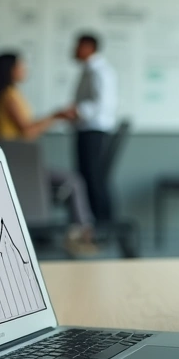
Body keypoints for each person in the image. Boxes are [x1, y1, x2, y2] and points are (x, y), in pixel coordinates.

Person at [0, 51, 98, 256]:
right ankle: (82, 234)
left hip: (17, 164)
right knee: (73, 181)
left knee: (71, 181)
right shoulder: (9, 97)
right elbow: (27, 131)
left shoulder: (7, 95)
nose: (25, 69)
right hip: (19, 167)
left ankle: (80, 232)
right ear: (10, 70)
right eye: (21, 65)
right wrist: (56, 116)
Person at [62, 33, 118, 224]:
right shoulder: (88, 70)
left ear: (88, 47)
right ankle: (91, 224)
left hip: (94, 131)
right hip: (86, 130)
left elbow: (101, 104)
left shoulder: (99, 71)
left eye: (77, 46)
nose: (74, 50)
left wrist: (76, 111)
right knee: (86, 179)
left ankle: (103, 225)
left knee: (94, 180)